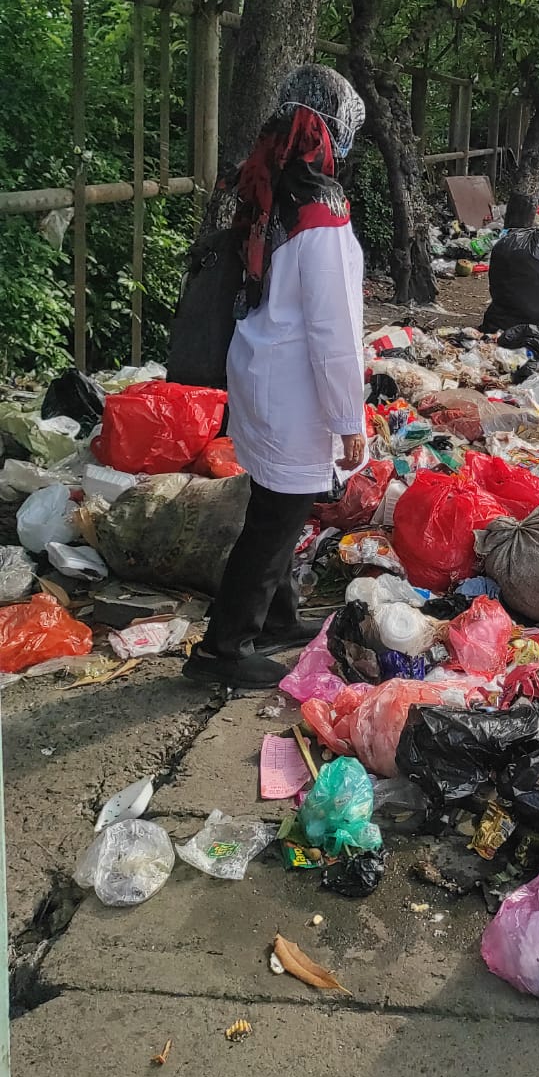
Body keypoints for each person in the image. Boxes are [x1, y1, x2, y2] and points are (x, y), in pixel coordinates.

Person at [184, 64, 368, 690]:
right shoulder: (322, 206)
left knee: (273, 506)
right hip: (296, 386)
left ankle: (278, 615)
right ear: (333, 130)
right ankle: (223, 646)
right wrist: (350, 420)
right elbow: (333, 329)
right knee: (273, 522)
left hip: (260, 367)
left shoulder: (267, 186)